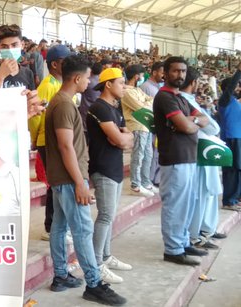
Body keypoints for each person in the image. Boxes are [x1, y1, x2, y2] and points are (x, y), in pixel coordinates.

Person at [44, 55, 126, 306]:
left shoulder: (61, 102)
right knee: (82, 229)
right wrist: (80, 182)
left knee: (59, 227)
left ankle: (60, 275)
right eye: (88, 77)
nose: (89, 81)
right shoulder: (65, 105)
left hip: (62, 176)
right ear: (77, 78)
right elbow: (66, 146)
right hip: (69, 178)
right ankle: (94, 283)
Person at [153, 57, 210, 266]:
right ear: (165, 73)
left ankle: (183, 242)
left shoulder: (181, 98)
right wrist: (191, 123)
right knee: (175, 205)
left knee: (186, 204)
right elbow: (185, 127)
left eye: (183, 71)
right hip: (174, 159)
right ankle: (173, 249)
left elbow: (203, 120)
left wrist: (191, 121)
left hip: (187, 157)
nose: (181, 75)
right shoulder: (165, 97)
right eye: (176, 71)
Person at [86, 68, 134, 284]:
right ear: (108, 84)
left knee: (110, 215)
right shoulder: (99, 108)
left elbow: (127, 138)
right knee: (105, 215)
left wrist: (123, 137)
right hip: (103, 168)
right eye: (121, 83)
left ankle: (105, 256)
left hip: (114, 167)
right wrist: (122, 138)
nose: (124, 87)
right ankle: (96, 264)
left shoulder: (115, 108)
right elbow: (123, 140)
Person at [31, 44, 74, 241]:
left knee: (59, 184)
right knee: (55, 185)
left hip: (56, 140)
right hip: (47, 141)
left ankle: (59, 227)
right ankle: (51, 228)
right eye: (66, 61)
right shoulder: (48, 85)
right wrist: (35, 140)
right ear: (55, 64)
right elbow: (36, 116)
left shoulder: (61, 84)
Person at [178, 67, 223, 249]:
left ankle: (207, 229)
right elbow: (211, 127)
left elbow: (210, 125)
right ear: (194, 82)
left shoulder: (191, 101)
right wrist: (199, 120)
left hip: (205, 151)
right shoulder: (183, 99)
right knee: (199, 195)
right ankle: (196, 234)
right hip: (196, 152)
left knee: (209, 193)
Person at [122, 64, 158, 197]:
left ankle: (145, 181)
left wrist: (147, 103)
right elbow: (140, 108)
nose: (143, 78)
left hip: (146, 125)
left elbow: (151, 100)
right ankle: (135, 185)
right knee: (138, 155)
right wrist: (147, 103)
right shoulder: (126, 92)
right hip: (137, 126)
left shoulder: (137, 90)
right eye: (142, 75)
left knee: (148, 155)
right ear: (137, 76)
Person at [218, 63, 241, 211]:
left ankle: (236, 197)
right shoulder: (224, 100)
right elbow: (232, 85)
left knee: (238, 169)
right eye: (236, 86)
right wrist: (239, 71)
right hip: (231, 138)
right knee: (232, 170)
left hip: (237, 137)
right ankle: (228, 200)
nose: (238, 88)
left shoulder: (233, 101)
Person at [0, 24, 35, 91]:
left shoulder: (28, 73)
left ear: (22, 45)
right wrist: (0, 76)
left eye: (14, 45)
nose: (10, 50)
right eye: (4, 46)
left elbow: (30, 99)